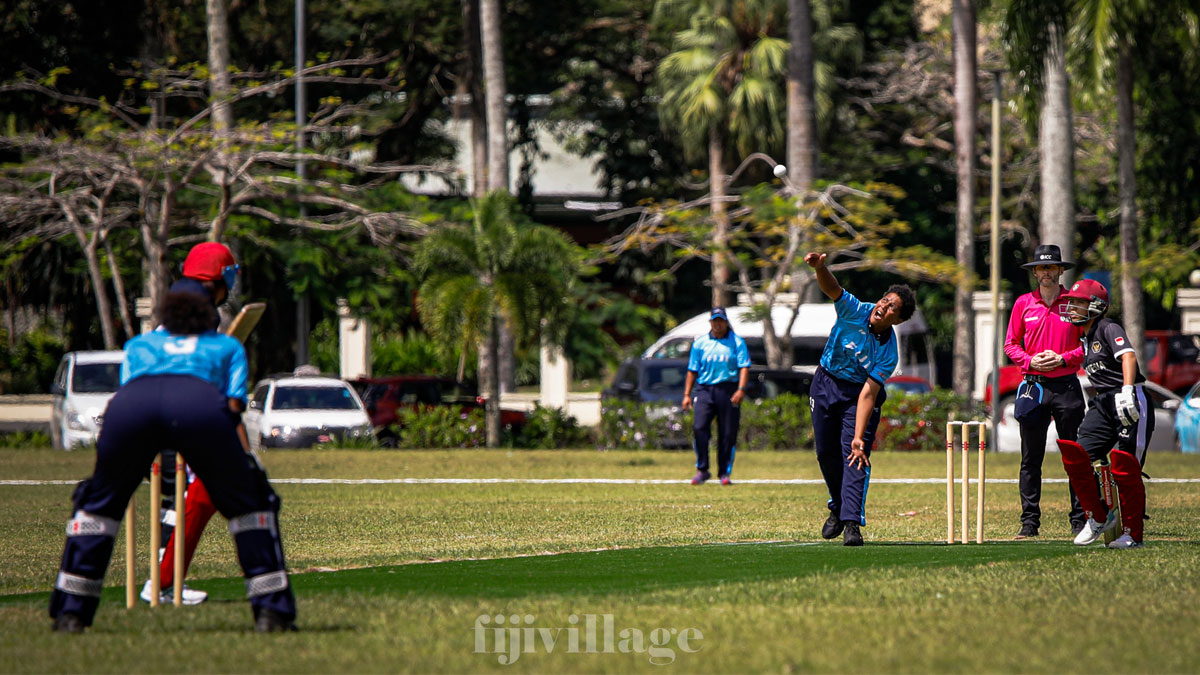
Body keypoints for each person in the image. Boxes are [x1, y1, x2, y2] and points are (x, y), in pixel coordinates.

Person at [49, 258, 296, 634]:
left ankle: (70, 614)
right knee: (251, 506)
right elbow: (232, 409)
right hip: (198, 406)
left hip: (131, 408)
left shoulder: (138, 345)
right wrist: (245, 464)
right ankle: (272, 613)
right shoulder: (225, 347)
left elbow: (128, 393)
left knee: (97, 507)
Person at [139, 242, 241, 606]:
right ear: (219, 276)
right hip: (170, 418)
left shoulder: (181, 297)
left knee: (181, 497)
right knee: (199, 491)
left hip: (146, 414)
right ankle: (162, 582)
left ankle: (163, 581)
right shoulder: (202, 309)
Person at [803, 252, 915, 546]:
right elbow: (833, 289)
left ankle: (852, 522)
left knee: (855, 454)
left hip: (858, 396)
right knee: (825, 453)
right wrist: (820, 267)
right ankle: (838, 507)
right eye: (884, 300)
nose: (883, 307)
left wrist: (857, 437)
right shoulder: (856, 310)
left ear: (898, 320)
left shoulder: (888, 353)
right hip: (826, 382)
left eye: (892, 308)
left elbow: (868, 393)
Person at [1057, 279, 1153, 549]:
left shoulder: (1108, 327)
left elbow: (1128, 356)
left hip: (1128, 398)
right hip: (1102, 403)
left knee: (1126, 466)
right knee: (1076, 455)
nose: (1072, 308)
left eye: (1078, 303)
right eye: (1071, 302)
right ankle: (1098, 516)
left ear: (1096, 306)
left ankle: (1133, 534)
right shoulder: (1084, 337)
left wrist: (1127, 390)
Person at [1004, 244, 1087, 539]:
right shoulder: (1023, 303)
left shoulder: (1074, 303)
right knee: (1030, 458)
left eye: (1051, 267)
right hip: (1034, 386)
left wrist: (1063, 359)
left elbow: (1087, 347)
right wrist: (1030, 361)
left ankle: (1080, 520)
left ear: (1060, 270)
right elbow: (1010, 344)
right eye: (1041, 268)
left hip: (1066, 386)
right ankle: (1029, 523)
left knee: (1075, 455)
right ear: (1035, 272)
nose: (1046, 273)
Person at [681, 307, 750, 485]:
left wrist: (741, 390)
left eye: (721, 320)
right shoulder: (700, 343)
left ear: (726, 322)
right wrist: (687, 394)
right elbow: (692, 370)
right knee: (699, 427)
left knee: (727, 432)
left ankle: (724, 473)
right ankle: (702, 469)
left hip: (728, 390)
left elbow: (744, 367)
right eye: (715, 320)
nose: (718, 324)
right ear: (711, 322)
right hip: (705, 390)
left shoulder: (737, 342)